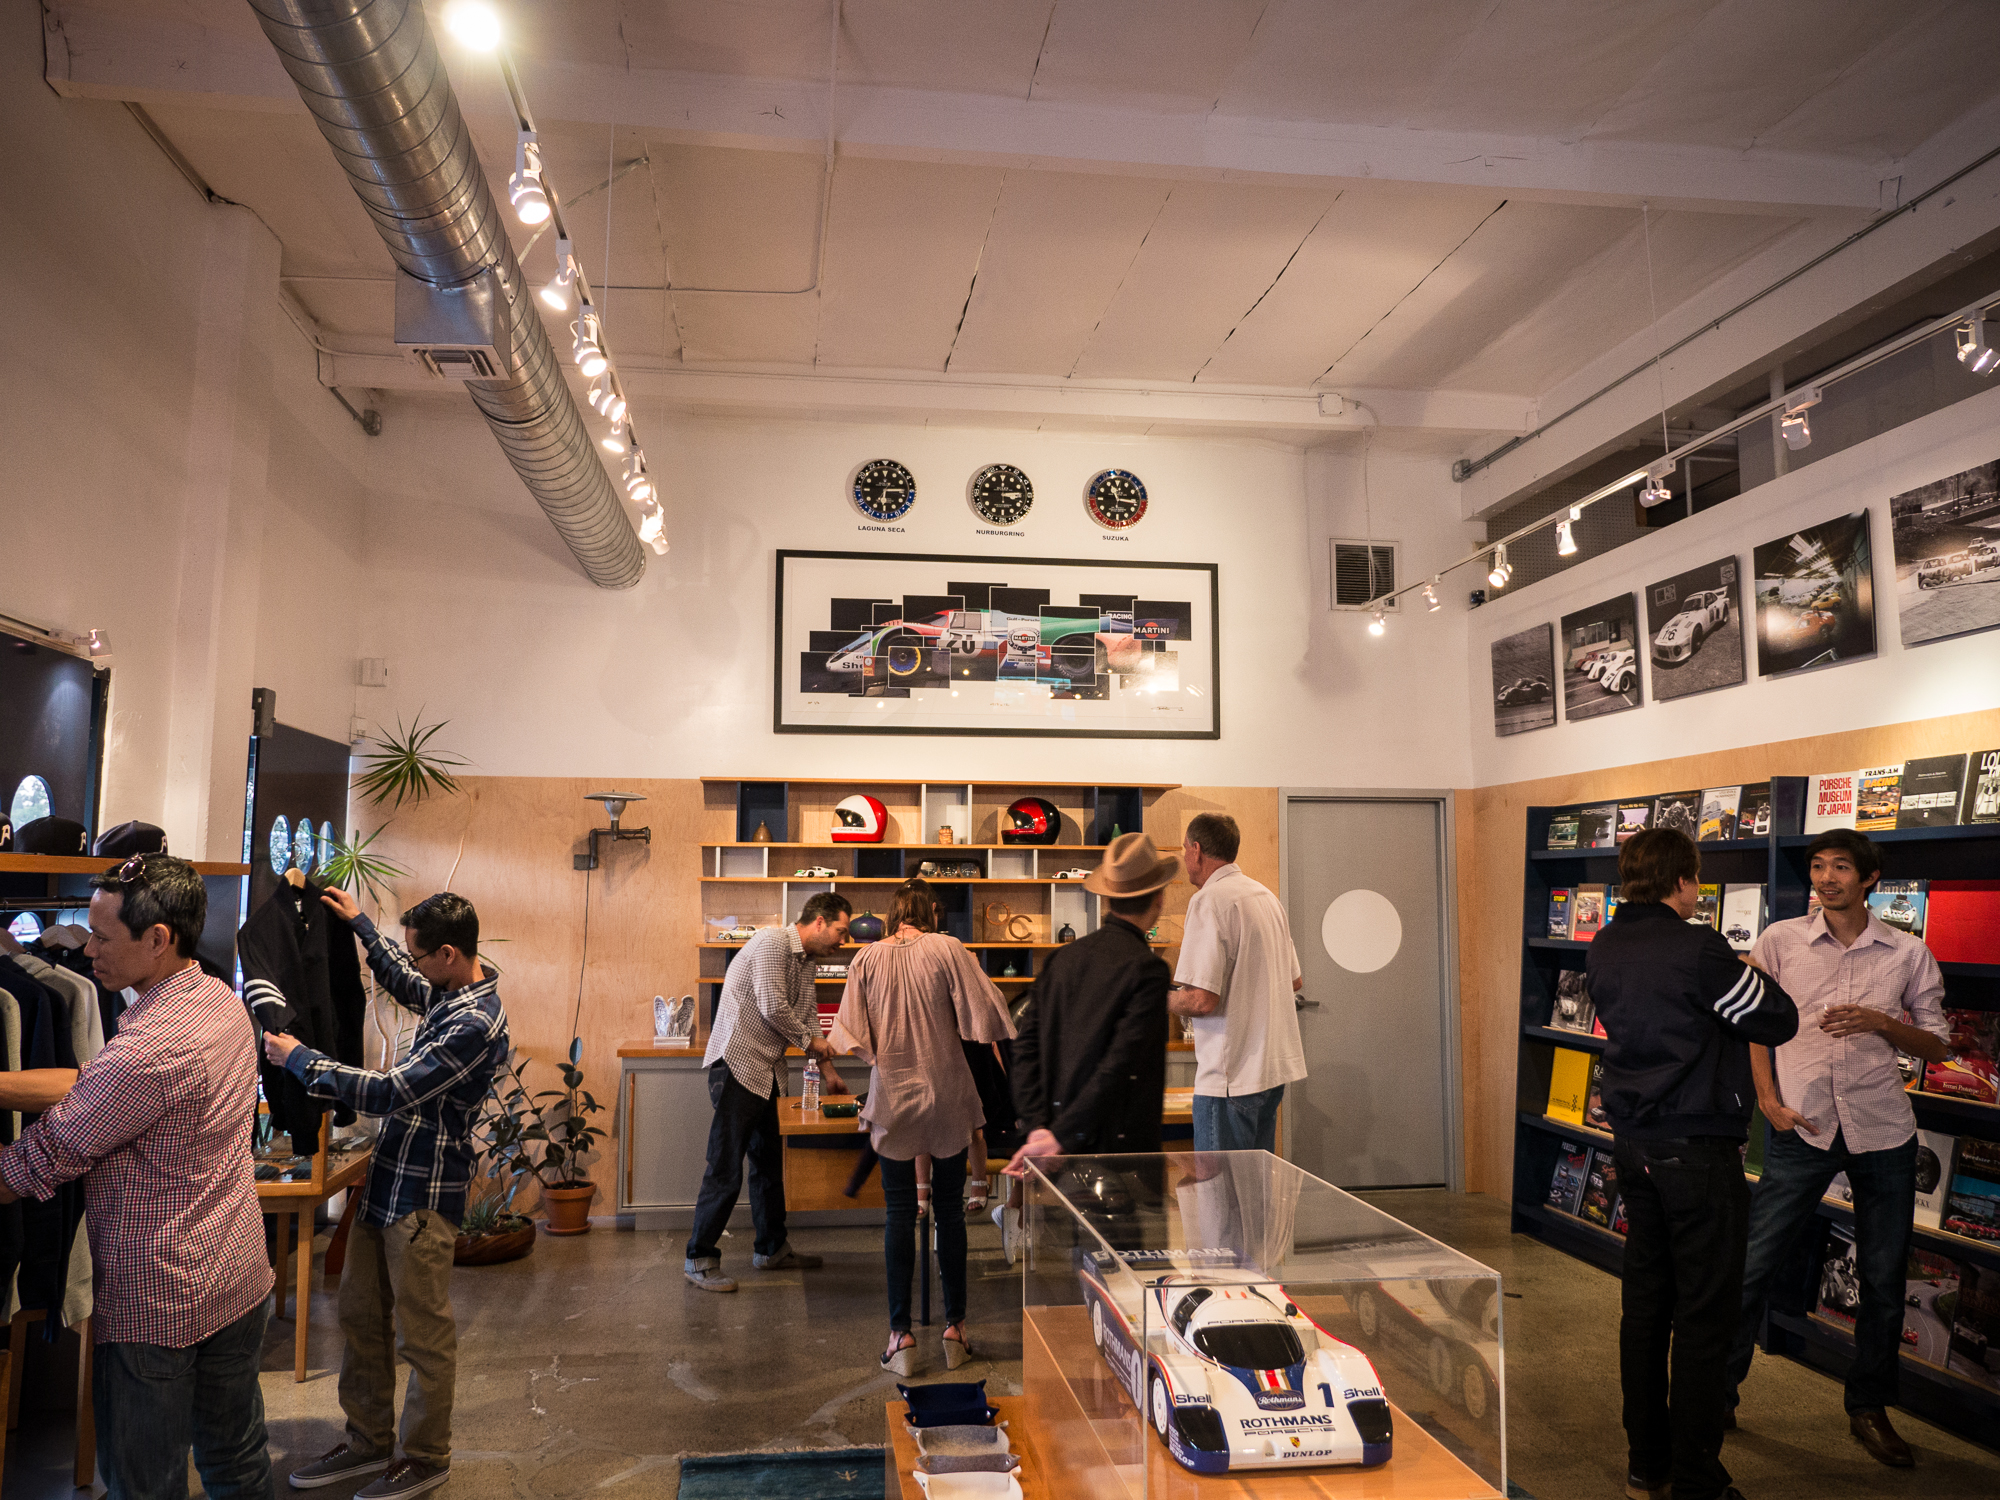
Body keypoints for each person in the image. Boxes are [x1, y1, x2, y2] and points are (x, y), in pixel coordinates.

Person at [0, 855, 276, 1500]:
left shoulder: (147, 1050)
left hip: (156, 1300)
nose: (85, 949)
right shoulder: (220, 1001)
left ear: (158, 939)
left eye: (102, 936)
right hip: (235, 1270)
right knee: (236, 1459)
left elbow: (35, 1162)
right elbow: (101, 1090)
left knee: (143, 1484)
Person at [265, 888, 509, 1500]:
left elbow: (389, 1091)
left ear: (449, 954)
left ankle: (426, 1457)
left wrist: (302, 1060)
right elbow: (406, 980)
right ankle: (367, 1440)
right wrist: (362, 926)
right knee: (360, 1318)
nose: (415, 964)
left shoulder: (475, 1024)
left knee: (423, 1337)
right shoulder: (451, 992)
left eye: (421, 954)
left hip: (423, 1198)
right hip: (388, 1181)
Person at [1726, 829, 1950, 1467]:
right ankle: (1715, 1394)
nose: (1826, 878)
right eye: (1819, 867)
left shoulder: (1908, 953)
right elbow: (1752, 1025)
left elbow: (1938, 1044)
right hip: (1804, 1125)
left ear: (1870, 878)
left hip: (1884, 1131)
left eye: (1842, 867)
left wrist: (1882, 1022)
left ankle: (1869, 1407)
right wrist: (1767, 1100)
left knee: (1883, 1279)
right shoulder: (1780, 941)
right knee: (1752, 1265)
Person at [1587, 828, 1799, 1500]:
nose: (1697, 890)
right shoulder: (1698, 948)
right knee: (1706, 1317)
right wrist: (1746, 975)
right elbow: (1777, 1018)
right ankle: (1699, 1479)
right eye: (1695, 880)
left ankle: (1647, 1464)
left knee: (1645, 1309)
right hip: (1697, 1148)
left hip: (1633, 1144)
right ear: (1682, 881)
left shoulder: (1605, 943)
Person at [829, 884, 1014, 1376]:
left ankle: (901, 1338)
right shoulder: (949, 948)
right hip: (947, 1091)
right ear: (931, 911)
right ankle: (956, 1331)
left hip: (893, 1095)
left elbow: (851, 1035)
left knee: (898, 1214)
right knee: (949, 1213)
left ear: (892, 915)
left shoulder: (866, 958)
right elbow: (988, 1012)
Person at [686, 892, 853, 1293]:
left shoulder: (806, 961)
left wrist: (829, 1072)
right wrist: (811, 1044)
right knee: (725, 1167)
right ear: (818, 921)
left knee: (769, 1166)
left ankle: (771, 1249)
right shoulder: (771, 943)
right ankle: (699, 1259)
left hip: (769, 1070)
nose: (844, 941)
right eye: (841, 930)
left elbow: (808, 1018)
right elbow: (772, 1006)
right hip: (738, 1065)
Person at [1006, 831, 1179, 1167]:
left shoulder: (1062, 959)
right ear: (1159, 897)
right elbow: (1120, 1064)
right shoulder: (1148, 969)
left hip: (1055, 1146)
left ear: (1107, 898)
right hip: (1120, 1156)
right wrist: (1059, 1137)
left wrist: (1038, 1127)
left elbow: (1024, 1048)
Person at [1168, 813, 1304, 1152]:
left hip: (1230, 1078)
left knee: (1221, 1185)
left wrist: (1152, 996)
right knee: (1254, 1182)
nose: (1185, 858)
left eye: (1184, 849)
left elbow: (1201, 1000)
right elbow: (1294, 981)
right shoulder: (1266, 897)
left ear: (1197, 850)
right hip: (1269, 1073)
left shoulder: (1209, 900)